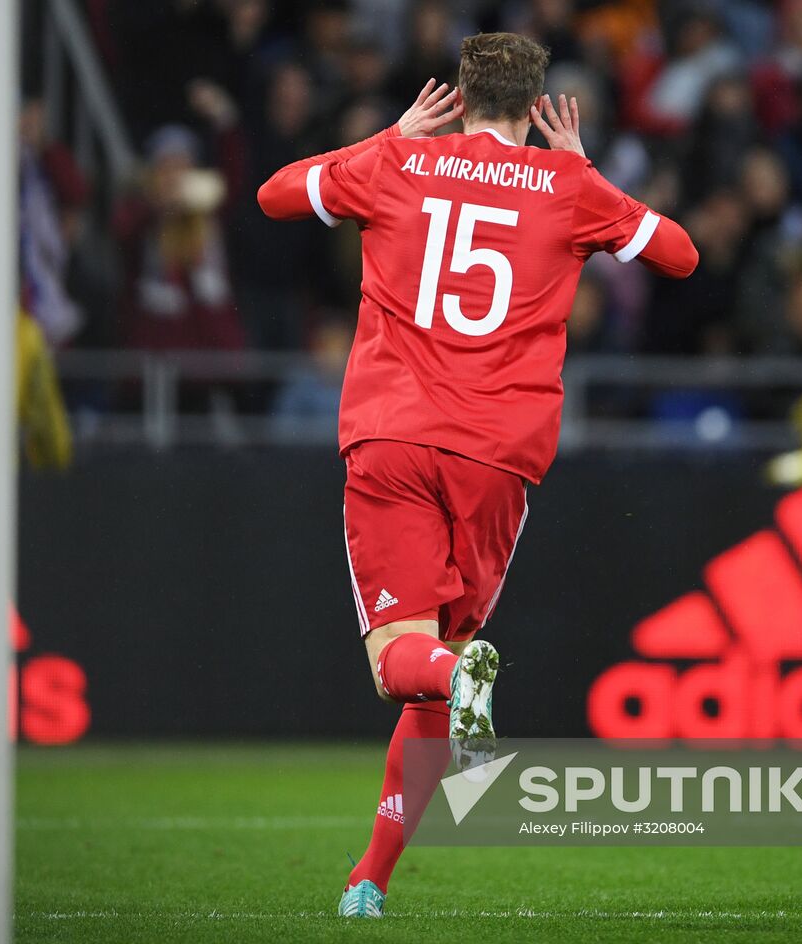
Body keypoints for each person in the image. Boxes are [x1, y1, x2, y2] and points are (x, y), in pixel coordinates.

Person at [257, 32, 697, 918]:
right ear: (538, 105)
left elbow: (273, 196)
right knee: (439, 669)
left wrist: (388, 137)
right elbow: (681, 255)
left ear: (458, 94)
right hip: (498, 457)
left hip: (392, 436)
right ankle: (369, 881)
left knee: (405, 666)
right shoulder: (568, 187)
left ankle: (456, 688)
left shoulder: (397, 164)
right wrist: (583, 169)